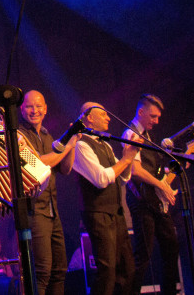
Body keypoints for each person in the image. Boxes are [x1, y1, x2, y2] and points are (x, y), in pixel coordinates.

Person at [72, 102, 139, 295]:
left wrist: (129, 156)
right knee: (107, 269)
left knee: (127, 268)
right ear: (89, 117)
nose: (108, 118)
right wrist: (126, 160)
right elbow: (101, 178)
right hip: (98, 214)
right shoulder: (81, 145)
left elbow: (123, 176)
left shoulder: (106, 145)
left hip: (115, 214)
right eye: (104, 115)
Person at [17, 90, 80, 295]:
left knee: (60, 269)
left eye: (38, 106)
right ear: (22, 108)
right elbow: (39, 164)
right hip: (34, 212)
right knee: (42, 272)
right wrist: (67, 146)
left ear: (45, 109)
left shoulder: (47, 135)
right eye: (29, 106)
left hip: (53, 212)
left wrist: (73, 143)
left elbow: (65, 169)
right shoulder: (19, 134)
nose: (34, 110)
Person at [121, 94, 181, 295]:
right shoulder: (130, 134)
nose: (156, 121)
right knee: (143, 255)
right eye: (153, 116)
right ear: (141, 112)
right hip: (141, 202)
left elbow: (153, 172)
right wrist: (161, 186)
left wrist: (167, 179)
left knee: (171, 249)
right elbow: (136, 171)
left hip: (154, 202)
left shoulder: (148, 137)